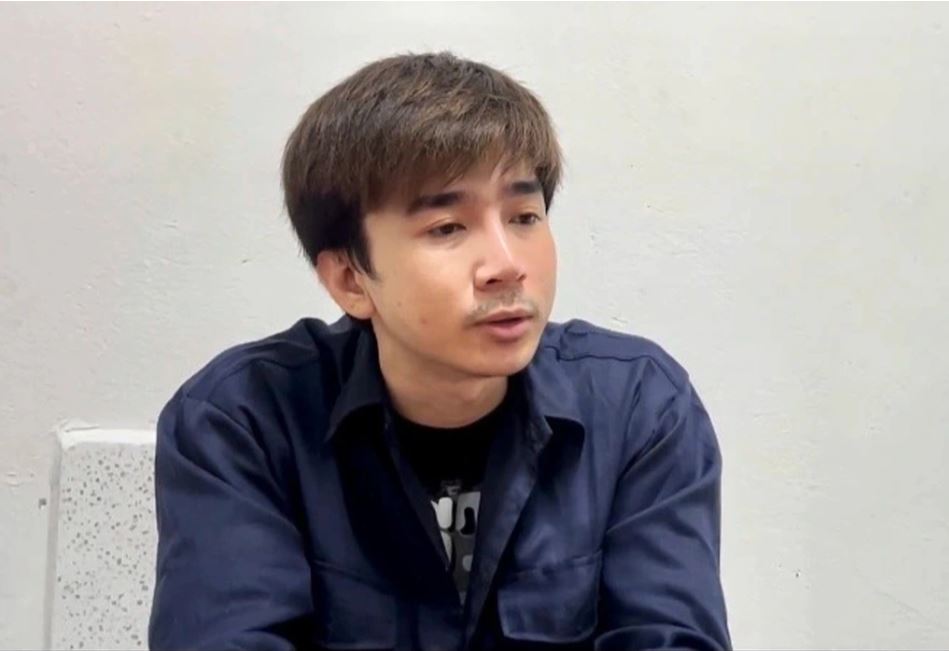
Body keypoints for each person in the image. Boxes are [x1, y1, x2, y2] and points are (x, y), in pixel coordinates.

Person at [148, 51, 731, 651]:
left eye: (524, 216)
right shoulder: (243, 421)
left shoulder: (637, 408)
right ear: (350, 279)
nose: (507, 265)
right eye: (448, 228)